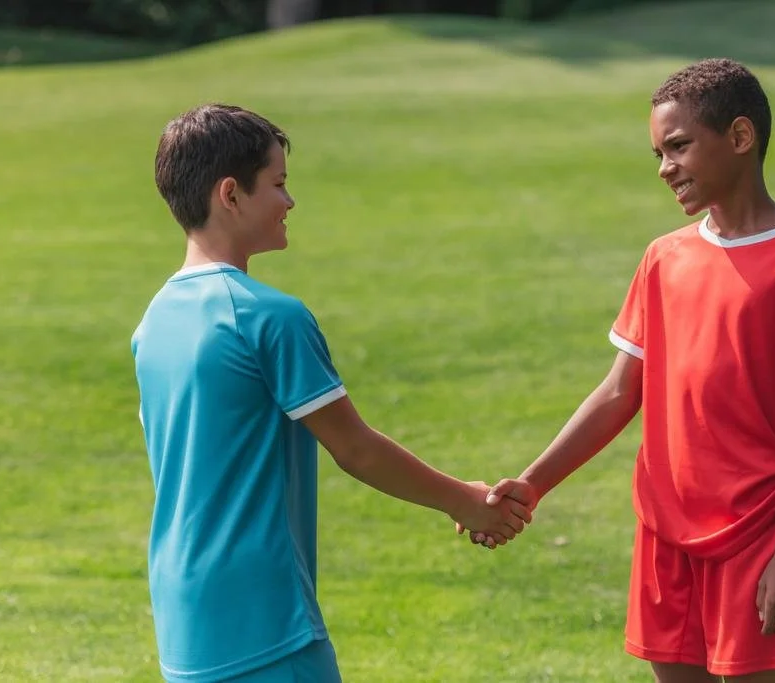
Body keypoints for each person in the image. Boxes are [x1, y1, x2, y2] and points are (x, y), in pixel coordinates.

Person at [472, 58, 775, 682]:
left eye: (679, 147)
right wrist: (534, 482)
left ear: (740, 138)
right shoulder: (664, 257)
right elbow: (617, 392)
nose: (664, 168)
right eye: (658, 152)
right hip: (664, 532)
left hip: (756, 532)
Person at [131, 103, 531, 683]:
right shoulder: (268, 318)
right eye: (278, 184)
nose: (289, 202)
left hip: (183, 609)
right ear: (230, 194)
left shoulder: (153, 323)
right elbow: (356, 449)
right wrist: (465, 501)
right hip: (264, 617)